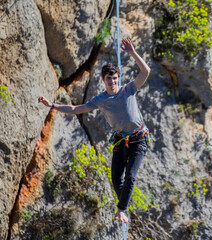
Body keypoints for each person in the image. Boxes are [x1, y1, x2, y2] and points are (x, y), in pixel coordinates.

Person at [38, 38, 151, 223]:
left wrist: (132, 52)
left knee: (130, 175)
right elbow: (76, 109)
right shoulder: (100, 100)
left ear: (118, 78)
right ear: (103, 80)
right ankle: (124, 206)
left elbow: (146, 71)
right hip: (122, 140)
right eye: (109, 79)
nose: (113, 81)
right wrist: (52, 105)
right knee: (116, 178)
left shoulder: (128, 89)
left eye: (115, 78)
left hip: (139, 138)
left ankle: (121, 210)